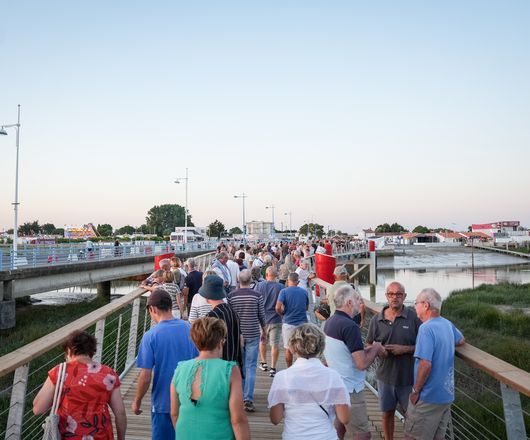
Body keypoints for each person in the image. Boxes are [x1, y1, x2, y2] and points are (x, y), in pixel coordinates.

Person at [33, 330, 126, 440]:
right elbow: (120, 413)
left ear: (69, 350)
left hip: (68, 436)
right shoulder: (108, 374)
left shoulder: (60, 372)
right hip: (101, 436)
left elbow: (38, 409)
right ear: (91, 352)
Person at [132, 289, 198, 439]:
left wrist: (137, 400)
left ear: (153, 309)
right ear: (170, 306)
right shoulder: (190, 328)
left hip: (163, 403)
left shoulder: (150, 336)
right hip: (190, 400)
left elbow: (145, 376)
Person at [170, 317, 250, 440]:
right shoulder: (230, 370)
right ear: (220, 342)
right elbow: (238, 420)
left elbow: (174, 413)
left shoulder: (180, 368)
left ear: (196, 343)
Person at [268, 323, 351, 439]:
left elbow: (275, 419)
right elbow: (344, 418)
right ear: (321, 346)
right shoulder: (333, 376)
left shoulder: (282, 377)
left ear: (292, 347)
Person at [323, 285, 385, 440]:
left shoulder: (330, 322)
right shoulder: (350, 326)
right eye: (358, 299)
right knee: (362, 434)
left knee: (339, 427)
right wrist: (376, 348)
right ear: (349, 303)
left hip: (336, 385)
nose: (361, 303)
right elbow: (361, 364)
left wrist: (364, 349)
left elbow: (342, 351)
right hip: (350, 390)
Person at [405, 288, 465, 440]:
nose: (414, 306)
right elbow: (461, 340)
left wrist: (415, 391)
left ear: (425, 305)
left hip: (428, 397)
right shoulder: (446, 324)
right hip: (445, 396)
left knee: (412, 436)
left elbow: (425, 364)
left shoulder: (426, 328)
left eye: (416, 303)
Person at [366, 281, 421, 440]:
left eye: (398, 294)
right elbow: (368, 344)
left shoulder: (413, 318)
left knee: (412, 417)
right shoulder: (376, 319)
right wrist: (378, 350)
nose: (394, 297)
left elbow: (424, 346)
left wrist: (405, 349)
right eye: (391, 294)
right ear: (386, 296)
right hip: (385, 377)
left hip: (408, 378)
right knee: (387, 413)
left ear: (404, 296)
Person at [228, 269, 266, 412]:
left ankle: (240, 395)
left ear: (238, 280)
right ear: (250, 280)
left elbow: (230, 316)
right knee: (251, 366)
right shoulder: (257, 295)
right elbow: (261, 315)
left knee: (240, 365)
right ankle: (248, 398)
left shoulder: (231, 296)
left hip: (237, 335)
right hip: (253, 333)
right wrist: (264, 331)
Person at [200, 274, 244, 370]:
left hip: (218, 368)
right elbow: (241, 342)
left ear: (207, 295)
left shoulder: (210, 317)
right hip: (234, 366)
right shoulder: (233, 311)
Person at [275, 272, 309, 368]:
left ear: (288, 281)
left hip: (288, 323)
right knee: (301, 348)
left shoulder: (283, 292)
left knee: (288, 348)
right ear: (298, 282)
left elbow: (277, 307)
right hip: (302, 323)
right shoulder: (304, 292)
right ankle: (300, 367)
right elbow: (306, 308)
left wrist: (282, 314)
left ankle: (289, 368)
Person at [255, 266, 284, 377]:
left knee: (262, 341)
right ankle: (273, 368)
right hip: (276, 318)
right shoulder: (281, 287)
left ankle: (263, 363)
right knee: (275, 344)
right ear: (276, 275)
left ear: (266, 275)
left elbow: (255, 301)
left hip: (262, 319)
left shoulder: (259, 286)